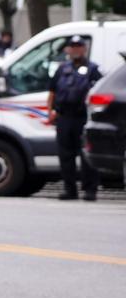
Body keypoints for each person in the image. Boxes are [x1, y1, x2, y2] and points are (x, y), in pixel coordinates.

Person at [46, 35, 102, 201]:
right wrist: (50, 112)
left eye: (79, 46)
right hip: (64, 117)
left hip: (83, 118)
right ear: (68, 50)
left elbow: (99, 93)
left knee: (86, 156)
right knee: (65, 156)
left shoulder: (93, 70)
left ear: (84, 49)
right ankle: (70, 190)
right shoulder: (62, 69)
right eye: (73, 46)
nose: (76, 49)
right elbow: (52, 92)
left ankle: (90, 190)